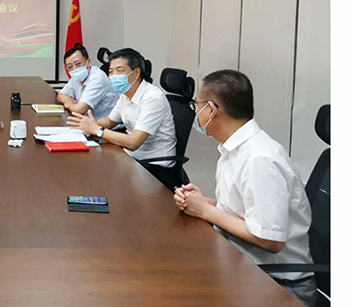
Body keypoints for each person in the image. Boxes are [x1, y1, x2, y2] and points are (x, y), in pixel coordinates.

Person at [173, 70, 315, 306]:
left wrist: (206, 211)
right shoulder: (234, 149)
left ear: (212, 109)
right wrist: (202, 202)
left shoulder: (261, 159)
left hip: (279, 286)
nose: (195, 112)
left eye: (196, 105)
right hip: (244, 265)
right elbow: (243, 210)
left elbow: (269, 239)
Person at [67, 48, 179, 188]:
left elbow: (133, 142)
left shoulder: (152, 98)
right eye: (111, 72)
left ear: (136, 73)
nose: (113, 76)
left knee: (98, 179)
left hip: (155, 167)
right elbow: (110, 120)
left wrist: (97, 130)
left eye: (119, 70)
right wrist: (88, 126)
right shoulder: (126, 94)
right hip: (133, 157)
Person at [56, 43, 118, 119]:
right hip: (87, 121)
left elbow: (79, 110)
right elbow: (60, 95)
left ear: (88, 62)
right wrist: (73, 104)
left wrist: (68, 104)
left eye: (78, 64)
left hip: (104, 123)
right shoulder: (76, 77)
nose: (75, 69)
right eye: (70, 67)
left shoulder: (97, 78)